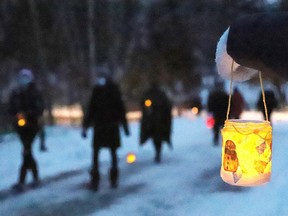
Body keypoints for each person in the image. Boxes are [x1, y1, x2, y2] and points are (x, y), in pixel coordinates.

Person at [82, 71, 130, 191]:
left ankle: (111, 179)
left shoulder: (113, 91)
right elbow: (91, 109)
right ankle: (96, 179)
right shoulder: (97, 91)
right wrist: (85, 126)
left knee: (110, 154)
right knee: (98, 154)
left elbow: (121, 109)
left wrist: (125, 126)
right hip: (101, 127)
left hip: (109, 126)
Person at [8, 69, 44, 189]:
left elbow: (39, 109)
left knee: (26, 150)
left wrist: (28, 113)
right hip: (21, 127)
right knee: (27, 151)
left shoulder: (34, 93)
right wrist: (17, 114)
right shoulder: (16, 93)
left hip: (32, 126)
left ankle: (23, 180)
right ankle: (34, 178)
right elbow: (11, 107)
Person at [140, 83, 172, 163]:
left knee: (157, 138)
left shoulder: (153, 95)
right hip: (156, 121)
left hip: (155, 121)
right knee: (157, 138)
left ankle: (158, 153)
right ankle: (158, 152)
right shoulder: (160, 95)